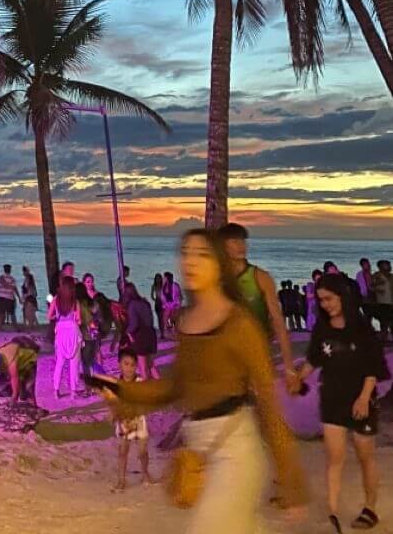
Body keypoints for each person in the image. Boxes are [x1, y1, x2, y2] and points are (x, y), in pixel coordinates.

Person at [99, 229, 306, 534]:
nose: (191, 261)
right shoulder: (188, 321)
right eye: (185, 253)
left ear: (219, 263)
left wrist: (292, 483)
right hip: (200, 451)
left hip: (236, 450)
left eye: (202, 254)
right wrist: (121, 390)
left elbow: (267, 401)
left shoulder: (239, 323)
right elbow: (175, 386)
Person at [295, 272, 386, 532]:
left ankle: (370, 506)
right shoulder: (322, 327)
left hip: (361, 400)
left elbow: (373, 367)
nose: (325, 305)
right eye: (321, 300)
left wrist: (364, 398)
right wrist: (298, 377)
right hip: (332, 399)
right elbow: (314, 359)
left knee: (364, 456)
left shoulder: (360, 326)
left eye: (329, 299)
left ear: (342, 296)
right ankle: (333, 512)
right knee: (334, 458)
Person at [218, 222, 297, 393]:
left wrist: (289, 367)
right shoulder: (217, 280)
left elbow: (278, 322)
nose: (241, 246)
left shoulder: (260, 277)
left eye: (243, 241)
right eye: (234, 241)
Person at [113, 349, 152, 491]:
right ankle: (121, 480)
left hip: (139, 421)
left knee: (142, 452)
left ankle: (145, 473)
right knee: (123, 452)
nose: (129, 368)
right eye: (126, 364)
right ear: (119, 365)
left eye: (132, 365)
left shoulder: (140, 382)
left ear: (136, 367)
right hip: (123, 423)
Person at [0, 335, 40, 404]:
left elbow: (14, 379)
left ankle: (34, 411)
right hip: (10, 362)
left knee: (27, 392)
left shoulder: (10, 361)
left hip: (27, 361)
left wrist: (14, 398)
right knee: (1, 393)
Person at [48, 275, 82, 398]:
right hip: (73, 331)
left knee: (59, 363)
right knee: (74, 364)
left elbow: (49, 316)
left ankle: (56, 390)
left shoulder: (56, 300)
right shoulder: (75, 301)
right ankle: (73, 391)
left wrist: (58, 318)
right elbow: (79, 320)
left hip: (61, 331)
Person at [121, 283, 159, 380]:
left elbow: (134, 324)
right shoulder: (145, 302)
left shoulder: (132, 305)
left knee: (142, 367)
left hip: (141, 336)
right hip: (151, 333)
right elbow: (150, 319)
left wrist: (127, 332)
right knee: (151, 364)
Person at [371, 261, 392, 343]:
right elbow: (371, 286)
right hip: (382, 303)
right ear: (381, 267)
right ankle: (384, 339)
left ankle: (387, 338)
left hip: (390, 302)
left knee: (390, 322)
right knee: (384, 322)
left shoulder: (391, 276)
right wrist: (378, 290)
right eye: (387, 265)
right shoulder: (377, 275)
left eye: (389, 265)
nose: (390, 267)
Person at [160, 270, 182, 335]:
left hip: (175, 305)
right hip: (167, 306)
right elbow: (162, 298)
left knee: (173, 319)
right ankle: (170, 331)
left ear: (167, 278)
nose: (163, 279)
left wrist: (177, 306)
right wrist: (165, 305)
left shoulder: (175, 286)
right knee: (165, 319)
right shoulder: (163, 287)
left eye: (164, 277)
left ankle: (175, 330)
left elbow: (179, 297)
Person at [151, 273, 165, 339]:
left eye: (159, 278)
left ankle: (163, 332)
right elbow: (152, 295)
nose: (158, 279)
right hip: (157, 303)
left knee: (162, 318)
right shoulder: (154, 286)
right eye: (157, 278)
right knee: (159, 318)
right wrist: (155, 299)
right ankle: (162, 333)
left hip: (163, 303)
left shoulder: (163, 286)